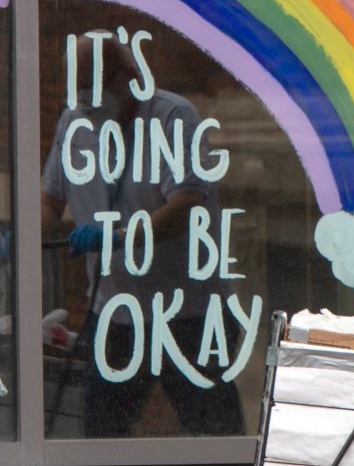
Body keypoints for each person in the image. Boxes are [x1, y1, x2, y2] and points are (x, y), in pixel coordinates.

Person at [41, 35, 244, 438]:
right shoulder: (74, 124)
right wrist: (24, 236)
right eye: (81, 97)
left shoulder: (172, 118)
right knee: (100, 438)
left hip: (187, 315)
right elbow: (50, 198)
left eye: (97, 96)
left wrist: (117, 237)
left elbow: (185, 204)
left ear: (132, 78)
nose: (90, 108)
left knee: (216, 439)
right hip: (115, 313)